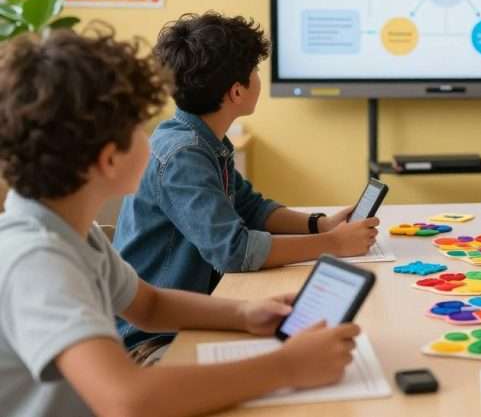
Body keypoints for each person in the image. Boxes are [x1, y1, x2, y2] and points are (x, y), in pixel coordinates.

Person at [0, 28, 359, 417]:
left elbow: (149, 305)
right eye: (140, 127)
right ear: (109, 159)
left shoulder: (69, 230)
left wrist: (245, 313)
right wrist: (288, 366)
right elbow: (128, 400)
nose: (152, 138)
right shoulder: (37, 259)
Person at [114, 12, 378, 358]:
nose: (258, 77)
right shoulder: (183, 156)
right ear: (237, 91)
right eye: (254, 70)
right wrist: (333, 244)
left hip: (193, 319)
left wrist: (321, 225)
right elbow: (234, 251)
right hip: (153, 341)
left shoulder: (202, 141)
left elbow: (251, 208)